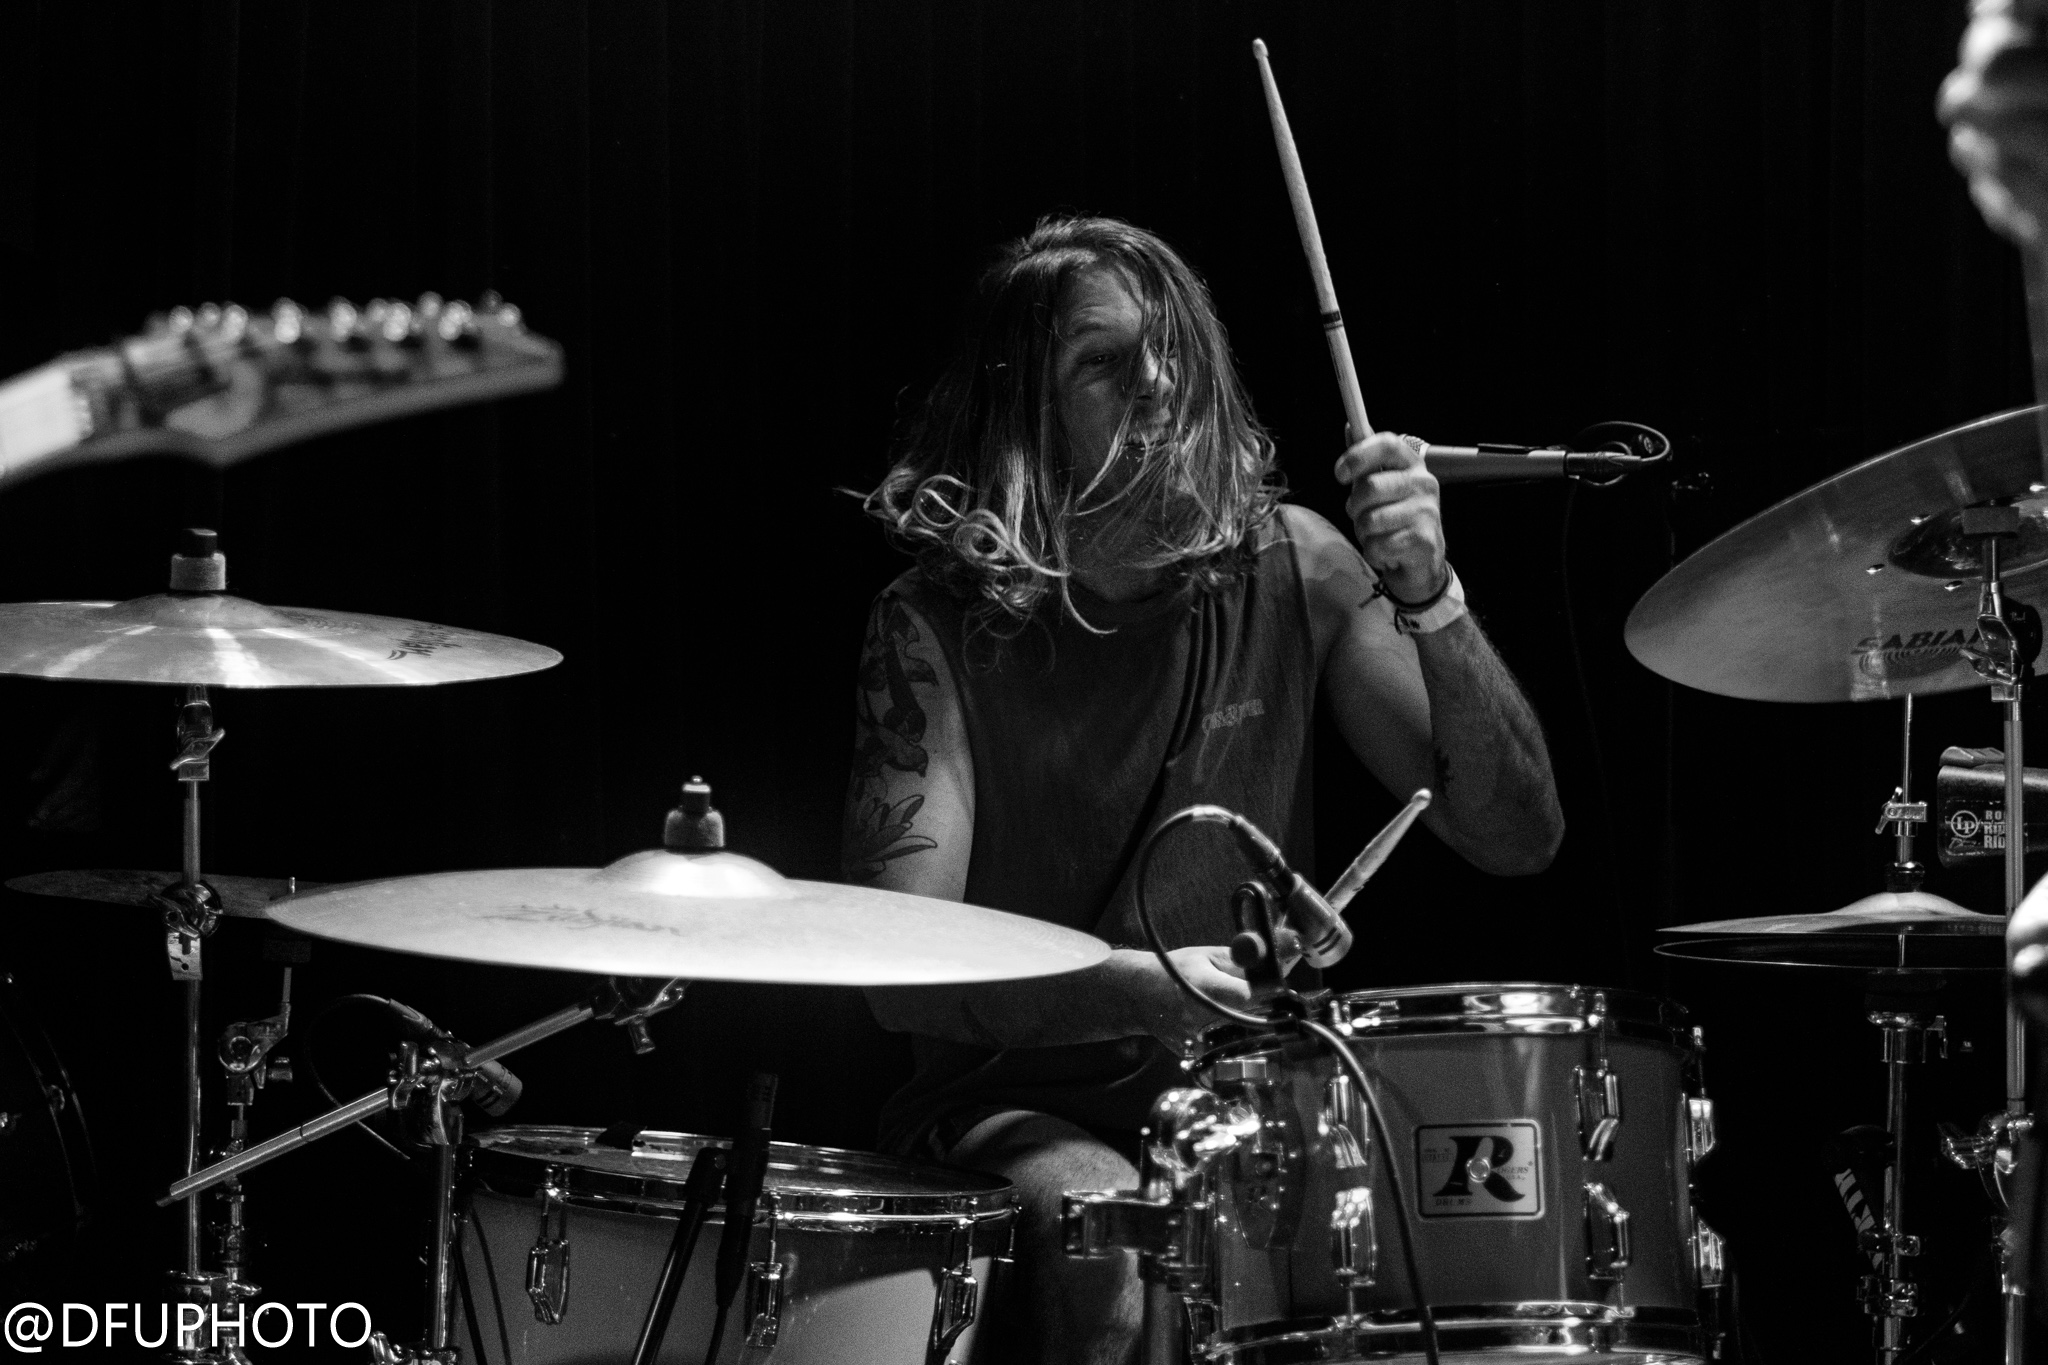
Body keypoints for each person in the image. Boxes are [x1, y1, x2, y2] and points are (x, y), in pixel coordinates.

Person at [842, 216, 1563, 1365]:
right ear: (1026, 407)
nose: (1157, 382)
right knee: (1108, 1236)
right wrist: (1145, 989)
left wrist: (1431, 594)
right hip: (1016, 1104)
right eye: (1104, 361)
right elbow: (899, 970)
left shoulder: (1298, 563)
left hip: (1259, 1100)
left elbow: (1514, 835)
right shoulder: (934, 624)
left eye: (1170, 348)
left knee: (1476, 1236)